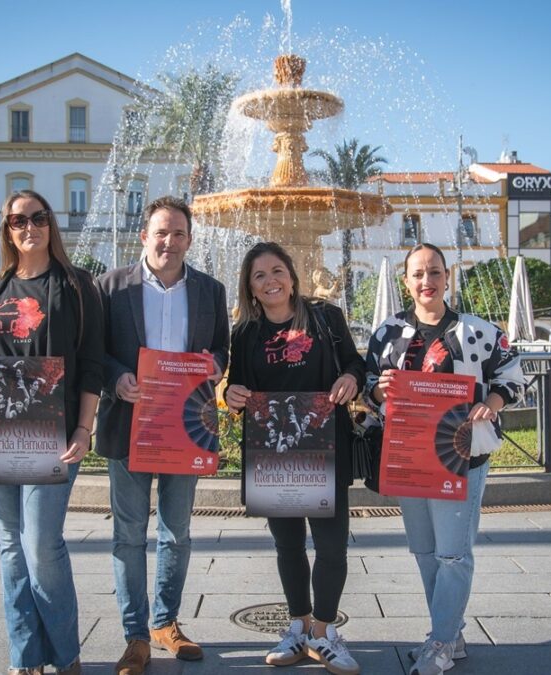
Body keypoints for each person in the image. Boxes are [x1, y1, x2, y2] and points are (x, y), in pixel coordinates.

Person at [0, 190, 104, 675]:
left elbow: (91, 364)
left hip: (55, 432)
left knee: (41, 544)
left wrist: (85, 428)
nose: (29, 226)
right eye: (19, 220)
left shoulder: (77, 286)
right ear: (6, 229)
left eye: (38, 218)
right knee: (9, 545)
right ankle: (25, 657)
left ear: (51, 225)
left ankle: (65, 655)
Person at [363, 243, 524, 675]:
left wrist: (490, 402)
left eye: (434, 272)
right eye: (417, 274)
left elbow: (512, 375)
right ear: (406, 281)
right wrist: (381, 389)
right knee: (424, 550)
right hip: (408, 456)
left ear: (447, 276)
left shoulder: (479, 331)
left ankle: (440, 640)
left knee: (453, 554)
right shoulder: (387, 333)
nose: (426, 281)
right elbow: (368, 387)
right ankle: (450, 630)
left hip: (461, 454)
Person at [94, 195, 229, 675]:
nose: (169, 241)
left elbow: (221, 351)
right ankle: (135, 636)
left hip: (186, 429)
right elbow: (95, 352)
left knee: (178, 532)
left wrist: (213, 365)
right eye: (161, 232)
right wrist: (116, 378)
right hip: (128, 425)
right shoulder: (110, 287)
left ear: (189, 240)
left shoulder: (211, 291)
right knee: (128, 535)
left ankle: (165, 623)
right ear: (144, 236)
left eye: (178, 233)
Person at [224, 242, 366, 675]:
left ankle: (324, 633)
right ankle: (298, 626)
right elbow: (238, 389)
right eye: (259, 276)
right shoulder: (245, 334)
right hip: (274, 454)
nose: (271, 281)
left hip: (325, 448)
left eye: (277, 271)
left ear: (292, 275)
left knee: (330, 546)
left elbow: (357, 365)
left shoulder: (325, 318)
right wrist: (232, 395)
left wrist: (349, 379)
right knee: (287, 545)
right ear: (249, 287)